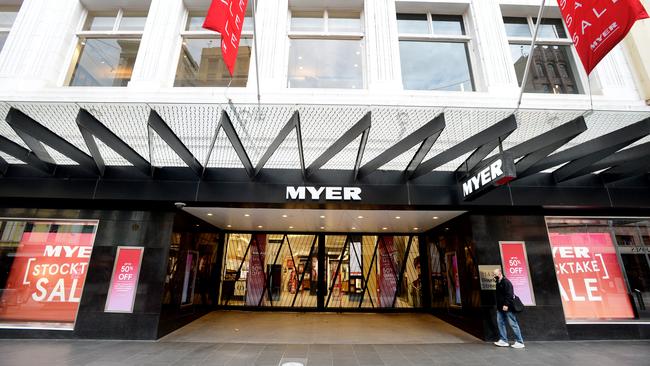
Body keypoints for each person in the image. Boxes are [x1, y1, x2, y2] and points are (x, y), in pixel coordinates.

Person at [493, 268, 525, 349]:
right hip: (500, 307)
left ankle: (520, 341)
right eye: (493, 274)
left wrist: (506, 305)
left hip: (508, 307)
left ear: (500, 273)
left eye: (495, 274)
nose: (494, 275)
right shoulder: (498, 282)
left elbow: (509, 294)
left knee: (513, 323)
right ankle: (503, 340)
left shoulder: (506, 282)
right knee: (500, 323)